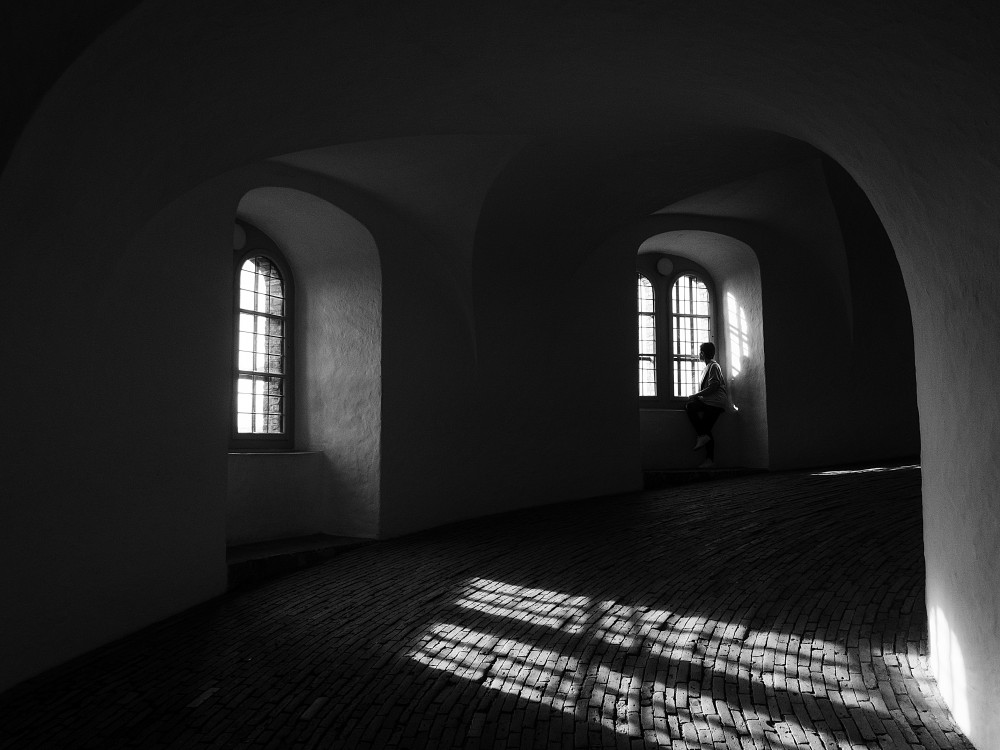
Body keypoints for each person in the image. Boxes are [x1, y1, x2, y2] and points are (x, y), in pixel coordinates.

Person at [685, 342, 728, 468]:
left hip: (715, 402)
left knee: (691, 407)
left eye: (700, 352)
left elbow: (713, 387)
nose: (699, 354)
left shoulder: (713, 366)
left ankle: (707, 452)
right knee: (706, 430)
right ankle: (709, 458)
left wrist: (695, 395)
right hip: (711, 401)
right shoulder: (709, 367)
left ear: (702, 353)